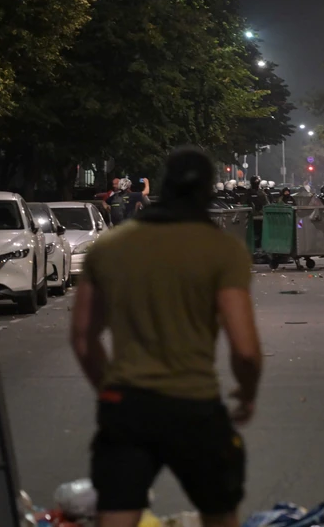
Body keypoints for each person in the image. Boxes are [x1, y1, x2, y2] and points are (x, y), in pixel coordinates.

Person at [70, 147, 262, 527]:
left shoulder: (110, 246)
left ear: (164, 184)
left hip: (126, 406)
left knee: (118, 512)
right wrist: (247, 394)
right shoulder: (222, 250)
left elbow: (82, 337)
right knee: (219, 511)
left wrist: (108, 389)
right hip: (195, 406)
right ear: (209, 191)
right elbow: (245, 349)